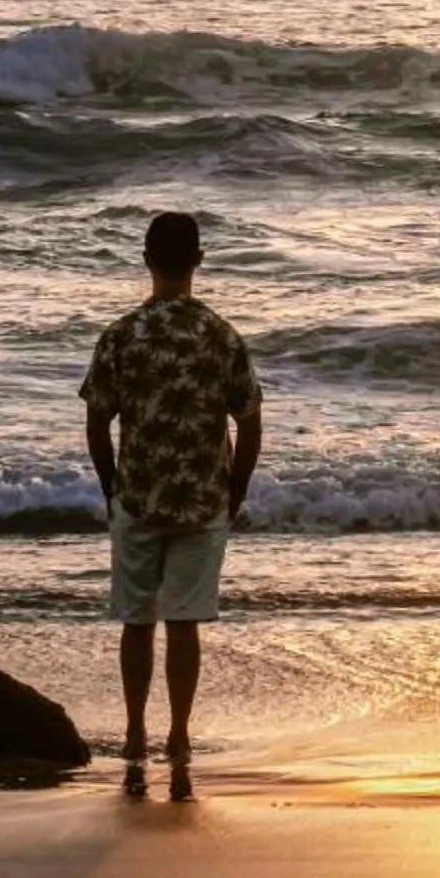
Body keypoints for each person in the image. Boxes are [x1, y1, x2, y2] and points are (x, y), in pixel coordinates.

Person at [81, 209, 263, 802]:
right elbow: (251, 418)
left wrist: (110, 483)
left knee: (136, 621)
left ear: (146, 261)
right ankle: (178, 735)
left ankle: (135, 731)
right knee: (185, 622)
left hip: (137, 494)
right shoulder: (221, 334)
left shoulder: (121, 334)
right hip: (202, 498)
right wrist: (236, 487)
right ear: (198, 263)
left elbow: (96, 417)